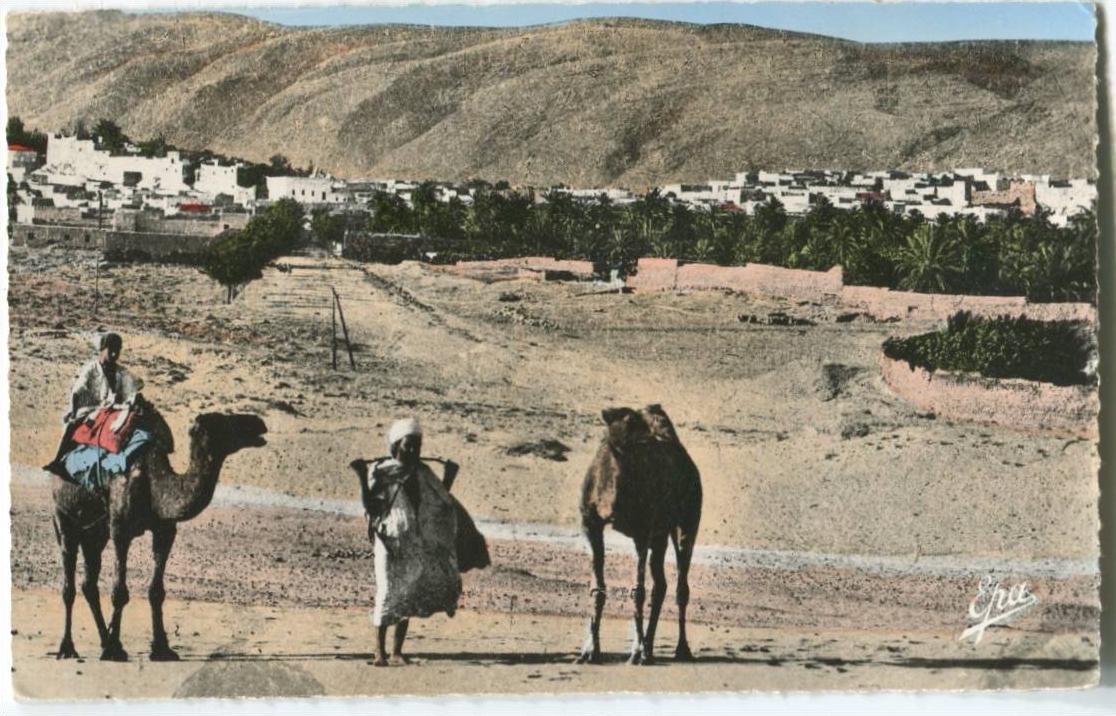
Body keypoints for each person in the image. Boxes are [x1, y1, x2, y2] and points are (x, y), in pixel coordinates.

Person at [363, 418, 461, 666]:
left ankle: (396, 652)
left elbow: (439, 503)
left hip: (413, 540)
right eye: (408, 445)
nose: (413, 450)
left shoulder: (423, 473)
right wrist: (361, 478)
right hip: (388, 539)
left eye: (417, 446)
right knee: (386, 589)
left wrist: (449, 478)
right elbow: (372, 506)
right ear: (396, 445)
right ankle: (379, 652)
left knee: (407, 591)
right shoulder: (382, 472)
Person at [43, 332, 145, 479]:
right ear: (102, 349)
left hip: (113, 409)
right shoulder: (91, 369)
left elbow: (137, 384)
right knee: (71, 427)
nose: (114, 354)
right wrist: (73, 412)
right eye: (111, 350)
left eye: (117, 350)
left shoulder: (120, 372)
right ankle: (58, 461)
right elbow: (77, 392)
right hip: (90, 408)